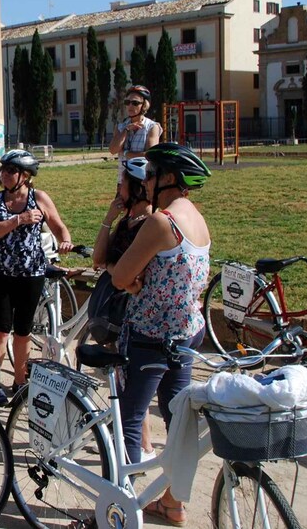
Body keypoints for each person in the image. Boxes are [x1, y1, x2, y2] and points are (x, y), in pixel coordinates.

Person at [111, 143, 212, 526]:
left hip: (150, 334)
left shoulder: (161, 222)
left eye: (151, 175)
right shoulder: (198, 220)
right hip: (186, 333)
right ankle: (172, 502)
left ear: (169, 179)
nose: (146, 182)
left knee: (131, 418)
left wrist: (136, 287)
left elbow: (120, 276)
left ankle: (123, 507)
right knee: (178, 420)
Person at [0, 150, 73, 406]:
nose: (5, 174)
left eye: (11, 170)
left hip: (31, 275)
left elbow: (58, 225)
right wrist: (18, 220)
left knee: (23, 333)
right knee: (0, 333)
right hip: (0, 273)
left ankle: (20, 382)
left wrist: (65, 240)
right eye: (4, 169)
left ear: (25, 175)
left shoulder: (39, 198)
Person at [92, 156, 156, 462]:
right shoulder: (126, 221)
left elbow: (131, 274)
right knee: (122, 380)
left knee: (129, 383)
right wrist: (109, 217)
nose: (118, 187)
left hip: (132, 312)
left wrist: (112, 267)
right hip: (116, 307)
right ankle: (136, 443)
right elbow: (98, 257)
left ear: (138, 187)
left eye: (123, 182)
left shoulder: (149, 224)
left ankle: (140, 448)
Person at [108, 85, 162, 186]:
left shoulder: (152, 127)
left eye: (135, 103)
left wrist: (126, 154)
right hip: (123, 183)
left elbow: (151, 155)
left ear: (144, 105)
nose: (130, 106)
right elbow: (113, 150)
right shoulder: (120, 127)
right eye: (127, 102)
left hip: (143, 183)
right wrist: (126, 130)